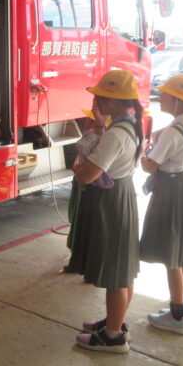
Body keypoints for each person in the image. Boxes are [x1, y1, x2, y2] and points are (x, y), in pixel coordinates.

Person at [70, 69, 144, 354]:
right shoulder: (131, 124)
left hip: (112, 201)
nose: (97, 100)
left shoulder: (116, 134)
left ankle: (112, 336)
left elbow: (88, 175)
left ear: (115, 100)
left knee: (116, 274)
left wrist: (79, 171)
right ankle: (116, 321)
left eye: (102, 96)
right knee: (123, 269)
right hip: (122, 195)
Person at [140, 75, 183, 334]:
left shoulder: (172, 131)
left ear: (178, 99)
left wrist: (145, 153)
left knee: (172, 255)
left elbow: (151, 166)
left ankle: (178, 315)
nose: (161, 96)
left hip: (171, 192)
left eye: (166, 93)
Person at [63, 109, 109, 274]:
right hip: (82, 179)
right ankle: (77, 259)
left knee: (89, 224)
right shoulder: (93, 128)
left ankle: (86, 263)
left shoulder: (107, 134)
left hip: (91, 182)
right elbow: (82, 153)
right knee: (78, 220)